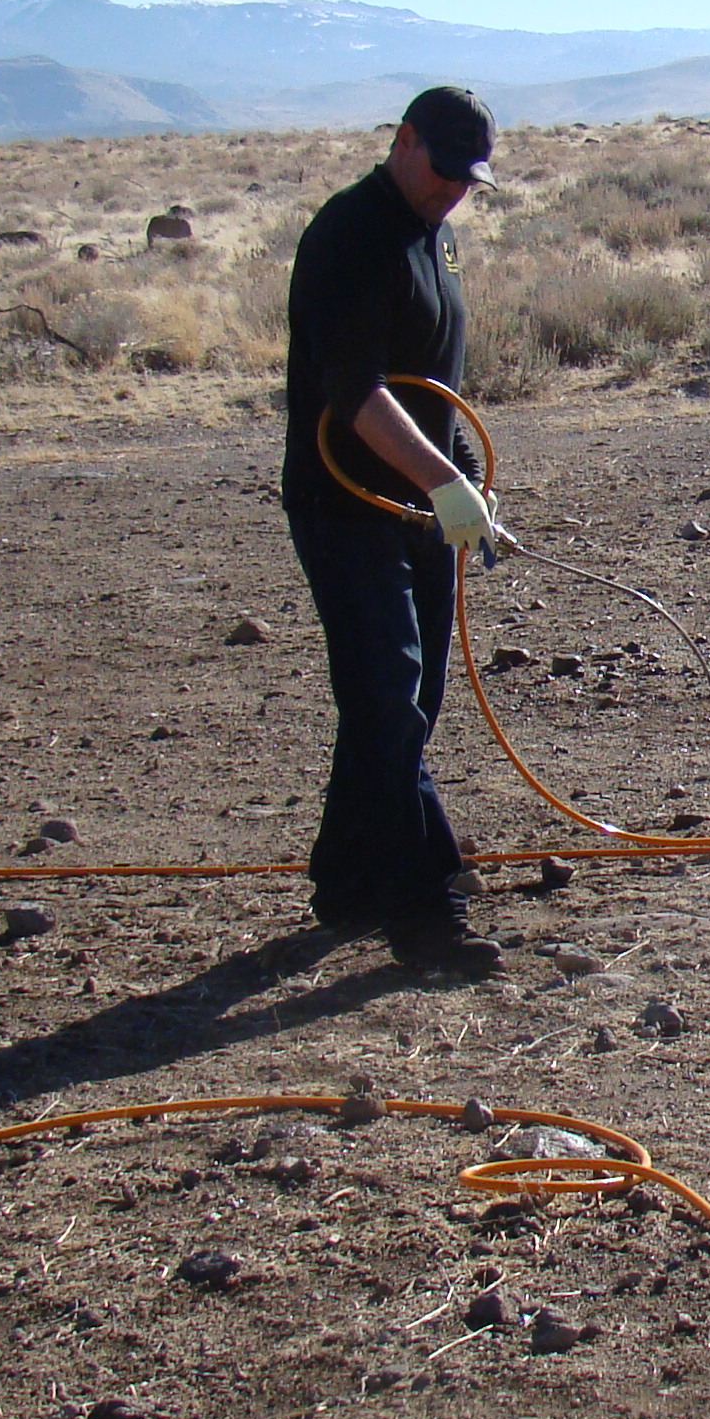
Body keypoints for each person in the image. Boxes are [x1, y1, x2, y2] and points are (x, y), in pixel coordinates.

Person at [280, 85, 515, 977]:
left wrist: (466, 494)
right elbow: (359, 392)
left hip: (418, 507)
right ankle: (425, 909)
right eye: (444, 172)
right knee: (388, 699)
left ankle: (347, 881)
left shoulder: (435, 237)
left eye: (468, 180)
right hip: (348, 510)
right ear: (404, 141)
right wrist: (445, 480)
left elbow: (429, 386)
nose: (452, 191)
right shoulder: (350, 234)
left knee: (404, 705)